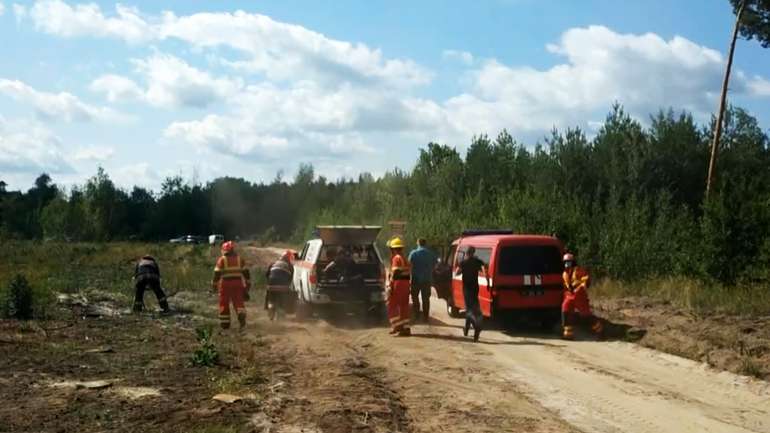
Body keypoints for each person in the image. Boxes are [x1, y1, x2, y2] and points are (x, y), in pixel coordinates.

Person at [561, 253, 603, 340]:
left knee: (586, 315)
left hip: (579, 296)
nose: (567, 264)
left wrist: (582, 285)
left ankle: (600, 331)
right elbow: (566, 285)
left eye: (569, 262)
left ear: (573, 262)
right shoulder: (565, 273)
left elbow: (586, 279)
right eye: (565, 262)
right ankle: (568, 334)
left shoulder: (578, 270)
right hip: (569, 296)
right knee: (566, 310)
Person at [211, 241, 251, 330]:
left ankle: (225, 324)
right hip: (238, 283)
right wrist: (248, 283)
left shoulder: (222, 259)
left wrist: (214, 284)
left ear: (224, 250)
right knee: (239, 302)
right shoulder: (240, 259)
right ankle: (241, 317)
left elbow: (217, 274)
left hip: (225, 284)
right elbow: (246, 272)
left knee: (224, 303)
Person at [455, 246, 489, 342]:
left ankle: (476, 326)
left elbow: (457, 273)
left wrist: (461, 268)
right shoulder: (478, 262)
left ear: (466, 253)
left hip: (467, 289)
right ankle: (466, 329)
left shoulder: (463, 262)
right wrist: (488, 283)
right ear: (473, 253)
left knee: (469, 309)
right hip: (475, 288)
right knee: (472, 308)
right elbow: (485, 272)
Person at [407, 238, 438, 322]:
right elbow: (436, 265)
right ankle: (425, 317)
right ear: (425, 243)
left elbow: (408, 265)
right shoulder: (431, 254)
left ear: (418, 243)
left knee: (415, 297)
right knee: (426, 299)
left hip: (416, 279)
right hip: (427, 279)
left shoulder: (413, 253)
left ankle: (416, 314)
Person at [386, 237, 411, 336]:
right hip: (405, 283)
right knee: (403, 306)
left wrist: (390, 285)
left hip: (398, 284)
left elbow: (395, 272)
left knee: (392, 305)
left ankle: (397, 326)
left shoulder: (396, 258)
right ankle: (405, 328)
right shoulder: (404, 258)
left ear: (393, 249)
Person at [265, 250, 295, 320]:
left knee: (271, 300)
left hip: (271, 285)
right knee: (282, 303)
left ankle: (270, 312)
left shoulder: (273, 263)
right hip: (283, 287)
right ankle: (280, 320)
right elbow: (290, 279)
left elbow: (267, 275)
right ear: (289, 258)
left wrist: (269, 284)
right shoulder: (290, 266)